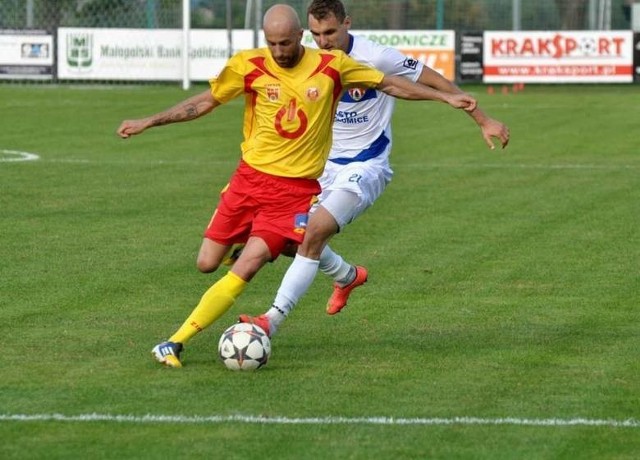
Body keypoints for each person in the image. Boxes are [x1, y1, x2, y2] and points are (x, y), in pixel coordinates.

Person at [117, 3, 476, 367]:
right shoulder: (249, 65)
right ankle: (343, 274)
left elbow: (391, 84)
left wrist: (446, 97)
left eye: (285, 43)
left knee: (262, 258)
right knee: (208, 262)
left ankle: (175, 342)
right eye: (272, 44)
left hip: (293, 192)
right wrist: (150, 120)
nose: (278, 52)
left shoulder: (331, 67)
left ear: (299, 37)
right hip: (248, 181)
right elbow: (205, 102)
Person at [239, 0, 510, 337]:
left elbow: (436, 81)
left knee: (314, 231)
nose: (324, 41)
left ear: (347, 24)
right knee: (290, 241)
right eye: (317, 34)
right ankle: (346, 276)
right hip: (319, 169)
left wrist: (482, 119)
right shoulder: (310, 60)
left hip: (366, 166)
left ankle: (271, 321)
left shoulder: (376, 56)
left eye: (331, 32)